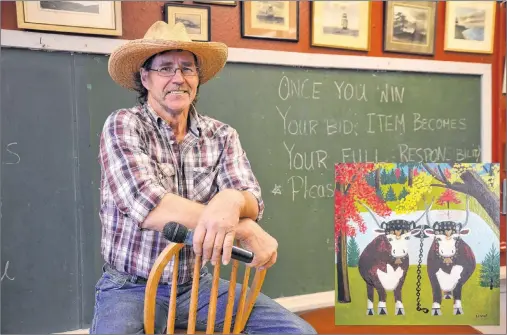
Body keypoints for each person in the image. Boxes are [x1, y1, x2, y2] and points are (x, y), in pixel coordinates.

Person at [90, 21, 317, 334]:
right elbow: (149, 206)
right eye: (165, 68)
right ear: (145, 77)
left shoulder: (221, 135)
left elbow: (252, 199)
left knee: (299, 332)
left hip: (197, 284)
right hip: (131, 288)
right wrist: (243, 229)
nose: (178, 78)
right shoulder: (124, 125)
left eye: (187, 68)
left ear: (197, 79)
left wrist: (232, 198)